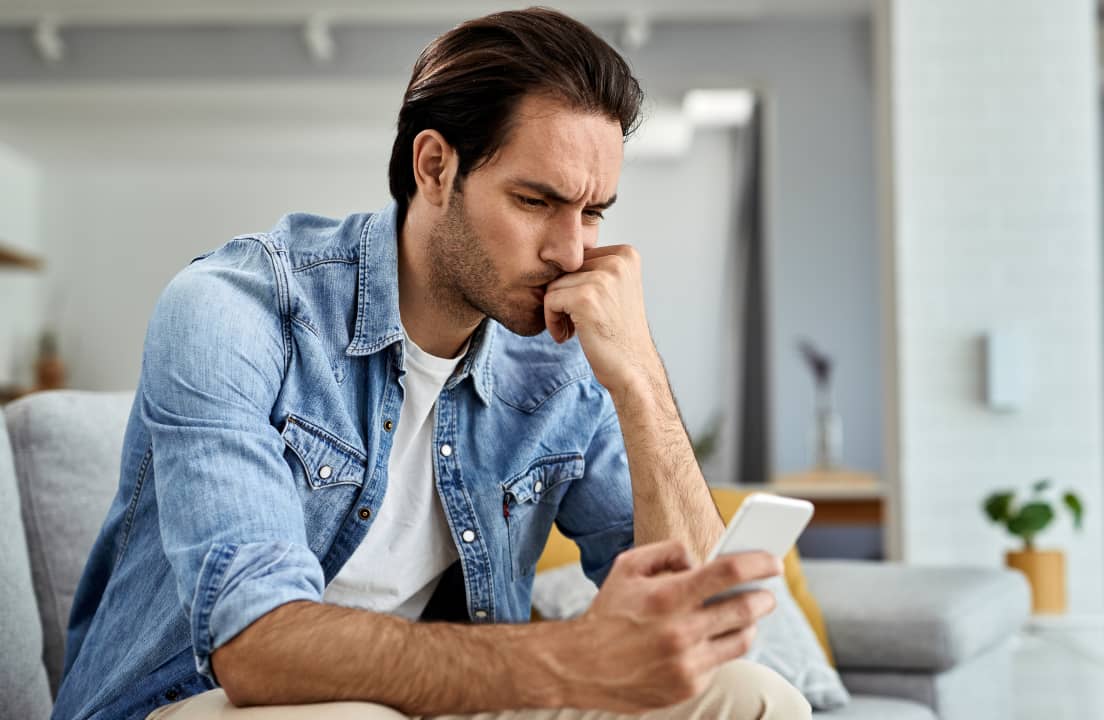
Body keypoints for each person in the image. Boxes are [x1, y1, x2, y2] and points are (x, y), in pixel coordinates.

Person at [51, 8, 811, 720]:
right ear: (436, 168)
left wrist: (640, 380)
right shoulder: (235, 311)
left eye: (593, 211)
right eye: (535, 201)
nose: (572, 251)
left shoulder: (557, 361)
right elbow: (256, 645)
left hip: (440, 698)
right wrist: (574, 656)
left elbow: (702, 619)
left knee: (750, 696)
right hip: (201, 700)